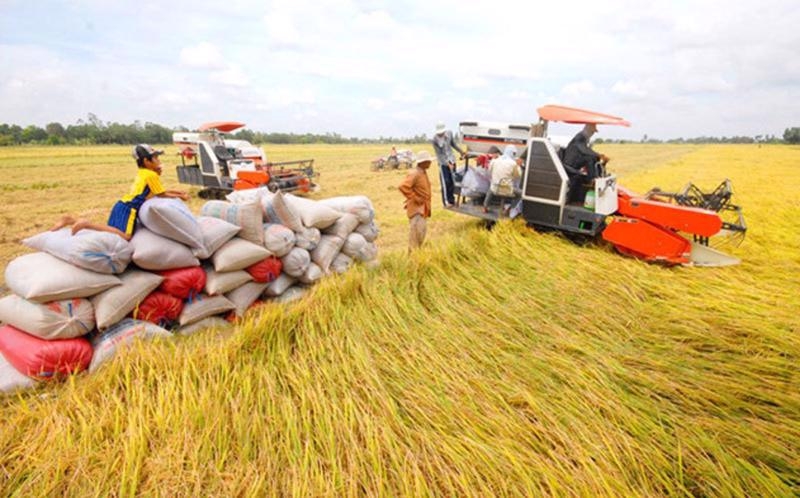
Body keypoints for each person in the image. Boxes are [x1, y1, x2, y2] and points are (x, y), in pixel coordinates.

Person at [51, 144, 190, 240]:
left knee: (111, 232)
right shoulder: (151, 175)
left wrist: (179, 193)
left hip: (122, 205)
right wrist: (181, 196)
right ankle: (85, 224)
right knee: (126, 236)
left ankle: (71, 220)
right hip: (129, 209)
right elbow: (162, 194)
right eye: (156, 158)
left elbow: (158, 191)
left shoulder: (144, 173)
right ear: (147, 161)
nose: (159, 160)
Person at [561, 123, 608, 203]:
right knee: (589, 158)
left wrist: (601, 159)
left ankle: (597, 177)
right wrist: (599, 155)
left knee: (593, 158)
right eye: (592, 131)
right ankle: (592, 180)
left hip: (575, 163)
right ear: (587, 129)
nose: (592, 134)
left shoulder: (585, 138)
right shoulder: (579, 137)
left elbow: (588, 151)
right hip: (569, 164)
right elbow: (584, 150)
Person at [398, 150, 433, 251]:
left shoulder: (422, 172)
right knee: (415, 239)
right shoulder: (415, 173)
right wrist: (414, 197)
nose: (430, 163)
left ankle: (416, 258)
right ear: (423, 162)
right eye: (428, 161)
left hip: (423, 209)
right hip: (417, 210)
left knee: (420, 236)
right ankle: (412, 261)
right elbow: (402, 186)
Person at [431, 122, 465, 207]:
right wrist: (447, 164)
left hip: (452, 160)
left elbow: (453, 144)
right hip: (443, 164)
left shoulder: (449, 134)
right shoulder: (434, 140)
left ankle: (452, 200)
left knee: (452, 182)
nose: (440, 134)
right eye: (439, 133)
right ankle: (446, 202)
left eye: (442, 132)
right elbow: (439, 154)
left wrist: (461, 152)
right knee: (445, 182)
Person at [483, 145, 521, 214]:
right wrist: (518, 166)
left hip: (495, 188)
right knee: (521, 194)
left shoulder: (494, 161)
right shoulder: (513, 163)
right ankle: (509, 209)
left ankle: (485, 207)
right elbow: (517, 176)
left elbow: (489, 171)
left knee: (490, 189)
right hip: (507, 190)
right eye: (514, 153)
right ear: (512, 153)